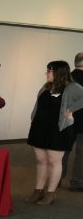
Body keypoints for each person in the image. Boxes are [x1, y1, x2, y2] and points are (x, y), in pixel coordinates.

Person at [25, 60, 83, 205]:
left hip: (58, 129)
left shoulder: (72, 87)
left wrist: (71, 110)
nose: (47, 73)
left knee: (54, 161)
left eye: (49, 71)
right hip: (40, 127)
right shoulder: (46, 86)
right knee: (40, 159)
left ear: (58, 73)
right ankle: (38, 190)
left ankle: (51, 192)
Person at [67, 53, 83, 191]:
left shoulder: (67, 78)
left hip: (68, 121)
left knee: (63, 151)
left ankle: (56, 179)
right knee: (81, 154)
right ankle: (77, 182)